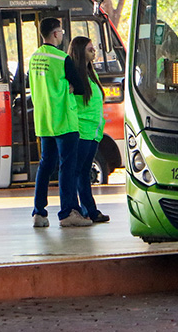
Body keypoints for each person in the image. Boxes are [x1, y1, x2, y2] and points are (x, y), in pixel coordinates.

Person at [29, 17, 91, 228]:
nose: (62, 35)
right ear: (56, 34)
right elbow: (80, 87)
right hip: (64, 120)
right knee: (67, 167)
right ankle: (68, 212)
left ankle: (39, 212)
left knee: (45, 165)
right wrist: (71, 87)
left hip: (44, 120)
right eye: (61, 31)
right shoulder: (61, 58)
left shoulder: (34, 58)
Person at [70, 36, 110, 224]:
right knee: (79, 172)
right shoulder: (74, 76)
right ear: (80, 52)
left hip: (94, 132)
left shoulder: (91, 74)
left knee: (84, 172)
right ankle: (85, 210)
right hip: (82, 131)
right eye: (90, 49)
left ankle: (89, 210)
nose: (94, 51)